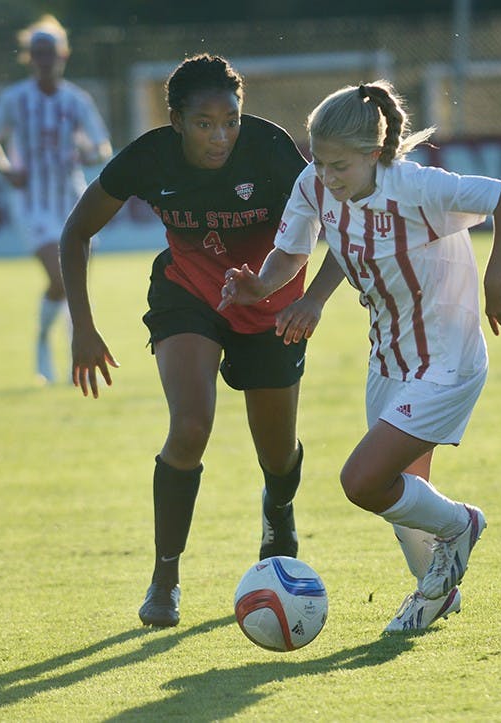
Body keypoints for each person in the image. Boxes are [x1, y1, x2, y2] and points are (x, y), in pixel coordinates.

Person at [219, 79, 501, 633]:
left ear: (375, 154)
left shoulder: (415, 186)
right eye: (319, 161)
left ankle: (463, 525)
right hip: (388, 359)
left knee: (363, 481)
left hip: (447, 359)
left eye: (339, 165)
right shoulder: (317, 185)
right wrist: (261, 287)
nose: (326, 175)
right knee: (403, 496)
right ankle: (437, 592)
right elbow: (296, 250)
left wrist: (496, 280)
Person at [61, 54, 310, 628]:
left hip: (268, 304)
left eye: (231, 120)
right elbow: (76, 232)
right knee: (190, 426)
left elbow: (329, 220)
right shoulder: (148, 157)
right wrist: (83, 325)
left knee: (277, 453)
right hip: (189, 295)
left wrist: (308, 297)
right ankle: (165, 578)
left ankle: (278, 508)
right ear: (175, 120)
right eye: (203, 123)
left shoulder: (271, 150)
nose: (220, 135)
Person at [0, 15, 112, 384]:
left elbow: (101, 147)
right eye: (37, 52)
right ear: (28, 56)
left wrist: (86, 154)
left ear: (63, 55)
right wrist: (6, 170)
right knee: (59, 277)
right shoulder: (15, 99)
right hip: (32, 202)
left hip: (71, 199)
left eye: (50, 52)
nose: (45, 59)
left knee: (76, 283)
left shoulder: (76, 99)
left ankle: (76, 346)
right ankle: (42, 342)